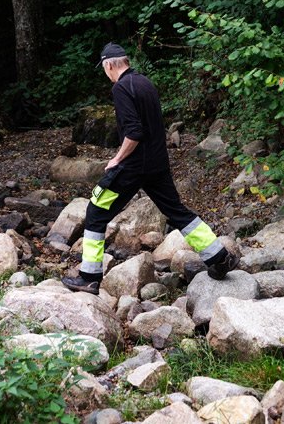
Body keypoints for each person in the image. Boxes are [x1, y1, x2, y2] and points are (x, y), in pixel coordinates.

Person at [63, 43, 238, 294]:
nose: (106, 73)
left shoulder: (121, 87)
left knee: (95, 211)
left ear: (109, 64)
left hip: (134, 166)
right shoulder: (144, 82)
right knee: (176, 211)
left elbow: (134, 132)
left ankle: (89, 276)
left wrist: (117, 159)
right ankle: (219, 257)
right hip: (157, 163)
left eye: (104, 68)